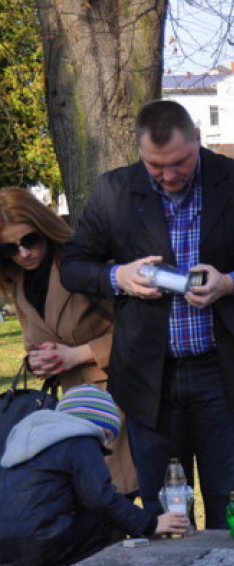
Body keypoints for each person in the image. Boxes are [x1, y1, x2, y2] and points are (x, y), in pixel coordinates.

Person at [61, 100, 234, 529]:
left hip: (224, 371)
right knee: (165, 513)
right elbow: (74, 266)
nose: (169, 175)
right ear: (139, 152)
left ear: (197, 139)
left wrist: (230, 283)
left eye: (180, 162)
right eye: (155, 166)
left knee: (233, 508)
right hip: (148, 377)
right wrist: (120, 276)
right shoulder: (114, 190)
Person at [0, 188, 136, 495]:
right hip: (71, 405)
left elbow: (140, 329)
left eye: (29, 240)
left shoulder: (79, 263)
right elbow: (38, 340)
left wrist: (79, 354)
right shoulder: (18, 281)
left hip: (118, 395)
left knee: (125, 496)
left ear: (44, 227)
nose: (23, 253)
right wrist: (37, 360)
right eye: (10, 248)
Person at [0, 385, 188, 566]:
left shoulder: (29, 438)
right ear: (95, 426)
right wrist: (151, 524)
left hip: (9, 544)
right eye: (106, 436)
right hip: (42, 541)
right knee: (105, 519)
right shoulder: (80, 440)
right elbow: (100, 498)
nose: (105, 445)